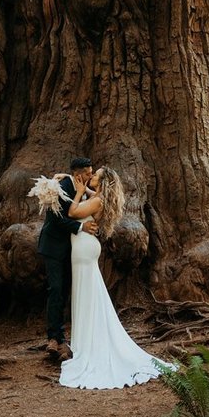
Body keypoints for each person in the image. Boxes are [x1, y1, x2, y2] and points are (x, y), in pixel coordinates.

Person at [60, 167, 167, 390]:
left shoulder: (96, 201)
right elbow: (85, 194)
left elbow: (72, 212)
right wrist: (68, 178)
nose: (92, 177)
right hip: (84, 249)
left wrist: (78, 193)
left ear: (103, 181)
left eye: (96, 175)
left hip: (84, 249)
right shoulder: (97, 197)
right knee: (87, 295)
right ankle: (82, 344)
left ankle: (88, 347)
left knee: (87, 295)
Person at [36, 155, 97, 362]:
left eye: (91, 172)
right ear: (78, 174)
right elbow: (56, 218)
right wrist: (81, 227)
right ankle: (54, 338)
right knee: (55, 289)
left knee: (68, 291)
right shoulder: (60, 186)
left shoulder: (84, 188)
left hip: (74, 250)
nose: (91, 175)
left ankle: (65, 339)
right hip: (54, 247)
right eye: (88, 172)